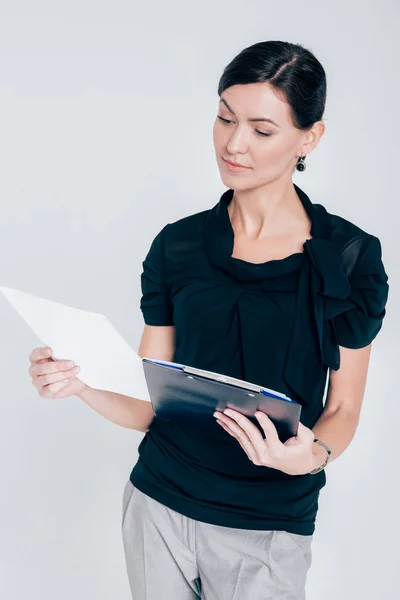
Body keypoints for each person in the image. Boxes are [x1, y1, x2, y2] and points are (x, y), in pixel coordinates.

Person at [28, 40, 389, 599]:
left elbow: (342, 409)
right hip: (159, 506)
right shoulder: (178, 246)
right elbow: (154, 400)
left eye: (261, 130)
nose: (233, 144)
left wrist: (309, 456)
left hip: (267, 526)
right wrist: (80, 384)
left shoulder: (349, 257)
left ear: (309, 137)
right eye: (224, 117)